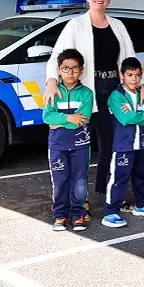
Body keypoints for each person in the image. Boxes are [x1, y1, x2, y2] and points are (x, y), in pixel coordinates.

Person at [43, 0, 144, 203]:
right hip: (87, 94)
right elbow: (56, 58)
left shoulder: (117, 26)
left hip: (112, 93)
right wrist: (52, 81)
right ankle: (78, 201)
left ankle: (108, 193)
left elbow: (129, 60)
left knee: (110, 145)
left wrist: (141, 87)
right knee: (80, 146)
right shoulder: (75, 26)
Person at [43, 49, 93, 232]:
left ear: (81, 70)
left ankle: (78, 213)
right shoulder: (53, 92)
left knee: (79, 181)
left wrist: (61, 120)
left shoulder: (86, 93)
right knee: (60, 181)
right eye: (65, 68)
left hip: (80, 145)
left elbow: (84, 118)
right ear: (58, 70)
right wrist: (70, 119)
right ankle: (60, 215)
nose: (70, 73)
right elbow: (47, 117)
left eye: (74, 68)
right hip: (57, 145)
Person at [103, 57, 144, 228]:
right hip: (123, 144)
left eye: (137, 75)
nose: (134, 79)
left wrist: (141, 117)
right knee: (118, 178)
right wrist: (143, 116)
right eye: (130, 75)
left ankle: (141, 204)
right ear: (122, 75)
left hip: (141, 143)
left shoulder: (143, 94)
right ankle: (110, 212)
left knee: (140, 176)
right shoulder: (116, 96)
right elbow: (125, 118)